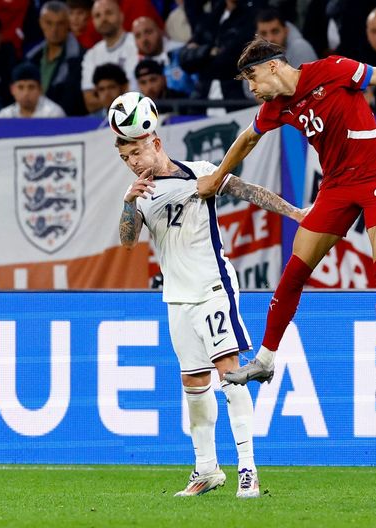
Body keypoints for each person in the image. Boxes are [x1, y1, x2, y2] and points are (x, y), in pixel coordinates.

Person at [196, 37, 376, 403]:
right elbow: (246, 140)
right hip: (336, 187)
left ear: (274, 65)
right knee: (294, 271)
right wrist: (219, 176)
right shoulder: (276, 107)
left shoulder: (333, 70)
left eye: (252, 77)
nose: (252, 88)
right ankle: (266, 359)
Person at [116, 129, 304, 498]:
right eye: (126, 158)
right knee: (194, 387)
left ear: (155, 142)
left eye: (137, 151)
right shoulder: (141, 197)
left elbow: (248, 191)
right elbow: (127, 242)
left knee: (230, 375)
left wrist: (296, 212)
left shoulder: (200, 172)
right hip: (177, 298)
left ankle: (248, 470)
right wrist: (127, 202)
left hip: (212, 290)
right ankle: (207, 469)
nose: (134, 162)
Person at [26, 0, 87, 116]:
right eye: (49, 23)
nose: (54, 30)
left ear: (68, 24)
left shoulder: (81, 59)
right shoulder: (31, 58)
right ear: (41, 23)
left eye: (60, 24)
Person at [81, 0, 138, 113]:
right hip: (103, 117)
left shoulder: (136, 44)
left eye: (109, 13)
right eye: (98, 15)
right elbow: (89, 101)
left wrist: (105, 98)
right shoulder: (91, 55)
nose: (103, 19)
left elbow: (137, 92)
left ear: (121, 16)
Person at [0, 62, 66, 118]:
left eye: (31, 87)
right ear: (12, 90)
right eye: (20, 87)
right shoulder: (5, 116)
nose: (26, 93)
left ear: (40, 89)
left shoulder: (53, 114)